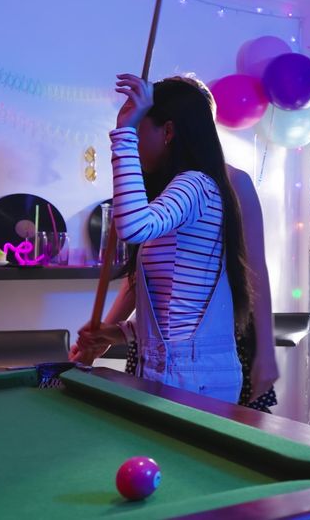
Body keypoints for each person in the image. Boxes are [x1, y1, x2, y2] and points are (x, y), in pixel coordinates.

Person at [70, 75, 258, 404]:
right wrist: (114, 333)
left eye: (141, 130)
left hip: (194, 374)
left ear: (168, 132)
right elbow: (174, 312)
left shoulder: (196, 183)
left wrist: (123, 134)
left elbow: (132, 227)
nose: (136, 141)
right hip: (173, 369)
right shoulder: (180, 192)